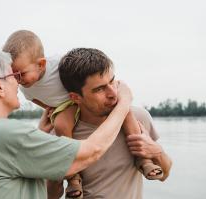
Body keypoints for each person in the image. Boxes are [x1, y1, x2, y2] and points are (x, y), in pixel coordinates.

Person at [0, 49, 133, 199]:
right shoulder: (7, 134)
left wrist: (40, 133)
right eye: (13, 77)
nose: (19, 83)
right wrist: (123, 103)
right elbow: (92, 151)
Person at [2, 30, 164, 199]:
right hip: (65, 106)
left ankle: (143, 160)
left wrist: (156, 153)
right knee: (61, 125)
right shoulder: (27, 89)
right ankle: (74, 178)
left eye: (21, 74)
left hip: (76, 99)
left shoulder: (58, 64)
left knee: (126, 113)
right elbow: (37, 100)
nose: (17, 79)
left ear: (41, 64)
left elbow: (81, 67)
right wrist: (52, 111)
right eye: (14, 75)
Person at [53, 48, 173, 199]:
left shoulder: (139, 118)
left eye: (111, 81)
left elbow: (164, 175)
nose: (113, 94)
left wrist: (157, 151)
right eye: (100, 89)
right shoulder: (62, 135)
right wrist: (57, 172)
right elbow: (50, 195)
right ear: (76, 97)